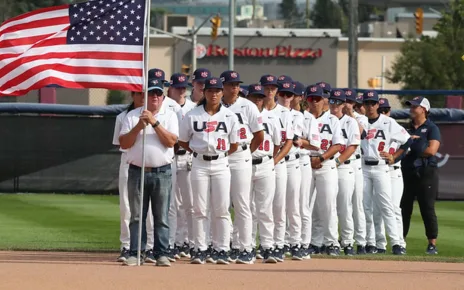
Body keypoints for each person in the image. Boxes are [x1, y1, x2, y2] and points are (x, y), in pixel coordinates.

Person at [178, 77, 240, 265]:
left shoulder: (229, 116)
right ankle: (200, 248)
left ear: (222, 93)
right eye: (210, 90)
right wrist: (197, 152)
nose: (214, 94)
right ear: (204, 93)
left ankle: (222, 248)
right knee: (200, 208)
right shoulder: (192, 114)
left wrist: (219, 155)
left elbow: (235, 144)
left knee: (222, 208)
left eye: (217, 91)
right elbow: (182, 140)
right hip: (199, 163)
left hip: (221, 163)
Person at [119, 78, 179, 266]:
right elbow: (124, 143)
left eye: (158, 94)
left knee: (161, 215)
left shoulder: (170, 115)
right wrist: (139, 125)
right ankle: (136, 252)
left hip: (162, 171)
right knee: (137, 216)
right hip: (137, 171)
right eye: (151, 93)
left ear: (163, 97)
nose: (154, 97)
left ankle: (161, 253)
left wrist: (154, 122)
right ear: (144, 96)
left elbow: (171, 141)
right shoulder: (132, 116)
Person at [220, 70, 264, 264]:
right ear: (223, 86)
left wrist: (246, 152)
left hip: (240, 155)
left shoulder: (248, 106)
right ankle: (225, 243)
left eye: (237, 84)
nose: (235, 87)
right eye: (231, 84)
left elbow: (259, 135)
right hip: (220, 157)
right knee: (220, 203)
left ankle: (245, 247)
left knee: (242, 203)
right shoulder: (214, 106)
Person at [360, 90, 411, 255]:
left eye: (372, 103)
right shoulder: (359, 122)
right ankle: (371, 242)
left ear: (377, 105)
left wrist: (394, 156)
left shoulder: (388, 122)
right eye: (366, 103)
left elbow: (407, 140)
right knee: (365, 207)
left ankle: (397, 243)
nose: (369, 106)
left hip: (382, 167)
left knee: (387, 206)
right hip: (364, 168)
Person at [113, 93, 155, 263]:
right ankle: (126, 245)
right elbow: (120, 143)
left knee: (151, 209)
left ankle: (150, 247)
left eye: (147, 93)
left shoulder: (157, 116)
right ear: (133, 95)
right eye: (139, 93)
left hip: (152, 162)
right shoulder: (123, 116)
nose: (143, 96)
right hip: (129, 161)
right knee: (127, 207)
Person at [306, 85, 344, 256]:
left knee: (328, 206)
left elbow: (338, 145)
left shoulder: (332, 120)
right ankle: (309, 242)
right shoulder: (302, 118)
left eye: (317, 99)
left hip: (326, 164)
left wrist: (321, 158)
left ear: (324, 101)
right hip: (305, 164)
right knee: (305, 206)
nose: (314, 102)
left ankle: (332, 242)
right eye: (311, 99)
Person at [260, 74, 293, 262]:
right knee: (257, 206)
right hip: (259, 162)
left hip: (277, 163)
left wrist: (274, 160)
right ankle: (259, 244)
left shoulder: (284, 113)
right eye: (266, 87)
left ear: (277, 91)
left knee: (278, 206)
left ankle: (278, 245)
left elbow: (288, 141)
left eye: (273, 87)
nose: (269, 90)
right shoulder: (256, 111)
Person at [401, 96, 441, 255]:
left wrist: (411, 147)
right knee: (404, 208)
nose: (411, 109)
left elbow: (431, 150)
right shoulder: (405, 128)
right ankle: (400, 241)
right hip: (407, 170)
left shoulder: (432, 128)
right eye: (411, 106)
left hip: (426, 172)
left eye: (415, 106)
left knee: (427, 208)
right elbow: (398, 146)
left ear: (424, 109)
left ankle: (432, 243)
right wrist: (413, 146)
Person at [246, 84, 281, 263]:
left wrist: (270, 159)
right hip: (245, 164)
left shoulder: (272, 118)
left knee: (265, 208)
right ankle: (248, 245)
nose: (258, 100)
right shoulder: (243, 116)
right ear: (248, 98)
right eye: (254, 97)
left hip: (265, 163)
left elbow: (277, 144)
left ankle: (267, 246)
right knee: (247, 208)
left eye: (260, 97)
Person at [371, 98, 407, 254]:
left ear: (389, 110)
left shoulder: (393, 126)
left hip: (393, 171)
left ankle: (399, 242)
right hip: (378, 170)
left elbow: (407, 147)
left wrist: (394, 157)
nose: (384, 112)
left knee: (393, 208)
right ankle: (380, 244)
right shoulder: (374, 126)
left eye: (386, 109)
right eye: (382, 109)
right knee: (376, 209)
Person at [167, 73, 197, 260]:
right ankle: (172, 243)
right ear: (170, 88)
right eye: (177, 86)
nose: (181, 90)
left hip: (188, 157)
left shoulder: (194, 108)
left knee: (190, 204)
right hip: (170, 157)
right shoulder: (164, 106)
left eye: (183, 87)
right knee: (171, 205)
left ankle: (190, 242)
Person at [275, 79, 306, 260]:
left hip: (293, 161)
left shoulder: (298, 115)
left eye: (290, 95)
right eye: (284, 94)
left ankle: (295, 243)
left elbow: (295, 138)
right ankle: (276, 243)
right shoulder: (270, 112)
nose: (286, 97)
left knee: (293, 205)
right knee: (275, 206)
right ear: (278, 94)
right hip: (276, 161)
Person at [291, 81, 321, 258]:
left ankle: (303, 244)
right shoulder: (283, 114)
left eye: (294, 94)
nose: (291, 97)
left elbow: (316, 145)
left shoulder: (309, 118)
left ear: (301, 97)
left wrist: (302, 142)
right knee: (286, 206)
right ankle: (288, 241)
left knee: (303, 205)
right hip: (284, 162)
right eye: (287, 94)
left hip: (302, 160)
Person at [329, 89, 361, 256]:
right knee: (327, 206)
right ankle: (329, 241)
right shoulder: (325, 119)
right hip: (326, 166)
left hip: (343, 166)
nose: (334, 105)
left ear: (343, 104)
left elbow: (352, 146)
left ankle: (348, 242)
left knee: (344, 206)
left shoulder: (350, 122)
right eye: (332, 101)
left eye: (338, 102)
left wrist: (336, 161)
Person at [343, 88, 367, 254]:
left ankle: (361, 241)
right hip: (340, 163)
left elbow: (361, 133)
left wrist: (351, 113)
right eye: (346, 101)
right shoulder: (335, 118)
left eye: (351, 102)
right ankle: (345, 241)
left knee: (357, 204)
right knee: (341, 205)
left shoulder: (360, 118)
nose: (348, 104)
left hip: (355, 163)